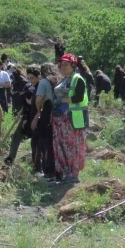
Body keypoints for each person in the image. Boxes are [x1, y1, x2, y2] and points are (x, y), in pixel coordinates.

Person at [51, 54, 89, 184]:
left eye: (66, 64)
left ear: (73, 65)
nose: (63, 67)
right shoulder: (64, 79)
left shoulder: (77, 79)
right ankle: (65, 173)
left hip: (73, 119)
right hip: (61, 120)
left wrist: (61, 100)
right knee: (62, 146)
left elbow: (78, 98)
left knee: (73, 147)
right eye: (62, 65)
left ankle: (74, 174)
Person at [32, 63, 59, 177]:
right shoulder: (59, 80)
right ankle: (59, 169)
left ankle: (48, 170)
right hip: (58, 113)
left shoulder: (43, 82)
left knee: (46, 143)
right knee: (57, 142)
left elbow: (38, 99)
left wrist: (39, 110)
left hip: (47, 112)